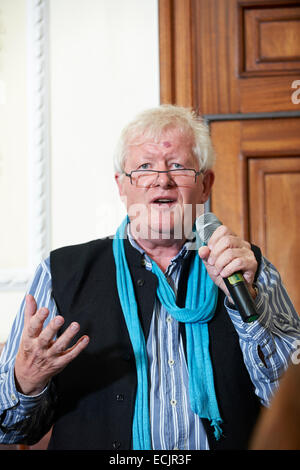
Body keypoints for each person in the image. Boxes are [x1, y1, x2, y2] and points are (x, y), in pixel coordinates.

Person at [0, 105, 299, 450]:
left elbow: (291, 405)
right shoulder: (59, 273)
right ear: (122, 187)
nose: (162, 179)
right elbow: (11, 431)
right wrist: (25, 380)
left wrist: (251, 312)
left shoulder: (250, 269)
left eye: (178, 166)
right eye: (144, 167)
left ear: (206, 185)